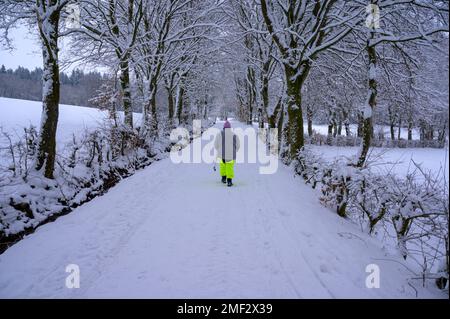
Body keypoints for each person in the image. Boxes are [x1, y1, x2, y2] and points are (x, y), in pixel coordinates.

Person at [214, 120, 240, 187]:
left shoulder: (219, 134)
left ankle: (223, 178)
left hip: (221, 154)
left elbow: (215, 145)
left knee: (222, 166)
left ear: (224, 127)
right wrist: (235, 151)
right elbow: (238, 145)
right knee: (229, 167)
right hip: (231, 155)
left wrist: (219, 149)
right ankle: (229, 180)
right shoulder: (234, 135)